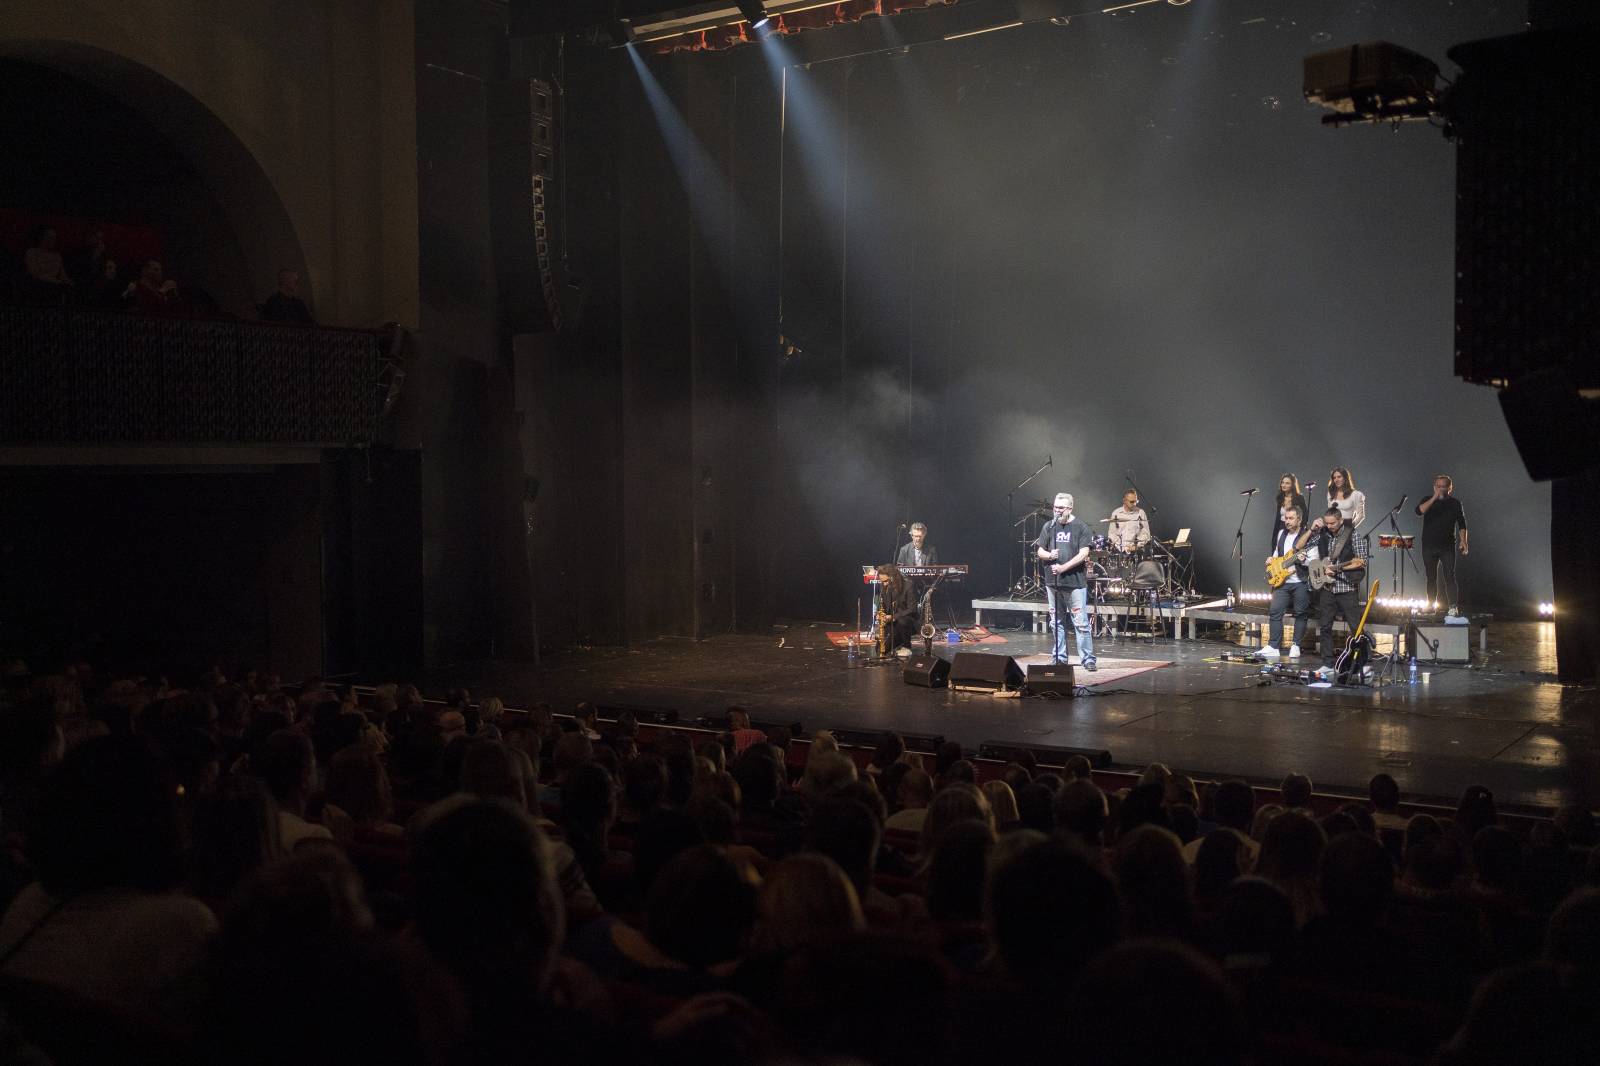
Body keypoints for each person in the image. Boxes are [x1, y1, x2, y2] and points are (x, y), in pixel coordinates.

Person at [1297, 505, 1370, 669]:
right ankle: (1327, 663)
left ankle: (1362, 663)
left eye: (1332, 523)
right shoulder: (1322, 534)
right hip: (1327, 589)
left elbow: (1362, 560)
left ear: (1340, 520)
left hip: (1346, 589)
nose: (1329, 526)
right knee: (1325, 627)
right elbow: (1299, 546)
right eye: (1327, 523)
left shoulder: (1352, 535)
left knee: (1356, 628)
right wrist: (1311, 529)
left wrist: (1340, 568)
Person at [1035, 492, 1096, 671]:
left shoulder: (1081, 527)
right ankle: (1059, 657)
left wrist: (1063, 567)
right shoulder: (1049, 526)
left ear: (1070, 508)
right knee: (1056, 622)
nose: (1057, 510)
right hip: (1052, 582)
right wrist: (1049, 555)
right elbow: (1040, 551)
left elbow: (1083, 554)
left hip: (1074, 582)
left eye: (1061, 508)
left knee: (1081, 622)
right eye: (1055, 507)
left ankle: (1088, 659)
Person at [1259, 506, 1313, 660]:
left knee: (1301, 613)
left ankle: (1296, 645)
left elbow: (1314, 560)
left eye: (1291, 518)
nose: (1287, 521)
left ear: (1299, 519)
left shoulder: (1306, 536)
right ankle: (1273, 646)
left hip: (1300, 581)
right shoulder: (1281, 533)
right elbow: (1278, 552)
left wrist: (1305, 560)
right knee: (1275, 612)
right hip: (1282, 581)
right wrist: (1272, 560)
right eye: (1286, 518)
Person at [1416, 474, 1468, 616]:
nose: (1440, 489)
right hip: (1428, 545)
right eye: (1437, 486)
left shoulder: (1455, 503)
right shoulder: (1427, 500)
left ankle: (1453, 607)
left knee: (1449, 576)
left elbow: (1462, 523)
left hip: (1447, 546)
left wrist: (1464, 541)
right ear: (1434, 486)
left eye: (1442, 486)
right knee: (1431, 577)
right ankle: (1431, 605)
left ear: (1449, 488)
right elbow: (1419, 511)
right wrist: (1434, 497)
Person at [875, 564, 918, 657]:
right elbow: (882, 604)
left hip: (907, 619)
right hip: (891, 621)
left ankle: (907, 647)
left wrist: (894, 617)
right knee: (880, 650)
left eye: (886, 581)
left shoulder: (908, 585)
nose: (884, 584)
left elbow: (912, 609)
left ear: (893, 577)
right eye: (882, 581)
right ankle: (898, 640)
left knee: (902, 621)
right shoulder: (883, 585)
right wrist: (879, 614)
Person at [1270, 473, 1308, 545]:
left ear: (1292, 485)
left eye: (1287, 483)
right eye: (1283, 483)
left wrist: (1300, 529)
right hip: (1281, 526)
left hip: (1295, 528)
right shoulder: (1280, 498)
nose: (1284, 485)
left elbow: (1305, 515)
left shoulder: (1299, 498)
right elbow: (1278, 517)